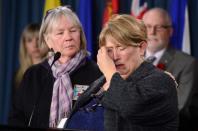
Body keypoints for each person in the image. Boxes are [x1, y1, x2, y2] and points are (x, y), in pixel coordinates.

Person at [65, 14, 178, 131]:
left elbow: (130, 106)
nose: (114, 56)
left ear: (141, 48)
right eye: (109, 50)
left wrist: (110, 73)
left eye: (121, 48)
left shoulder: (162, 81)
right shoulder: (101, 81)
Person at [8, 6, 102, 128]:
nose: (68, 37)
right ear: (48, 41)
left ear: (80, 34)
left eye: (73, 30)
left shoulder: (97, 73)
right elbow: (16, 118)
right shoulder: (33, 75)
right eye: (60, 33)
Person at [142, 8, 198, 130]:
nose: (152, 32)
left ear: (170, 31)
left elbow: (178, 105)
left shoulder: (187, 63)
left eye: (159, 27)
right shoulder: (131, 59)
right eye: (148, 26)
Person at [14, 23, 48, 89]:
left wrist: (74, 99)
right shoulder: (18, 76)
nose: (35, 45)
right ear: (24, 45)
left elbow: (74, 95)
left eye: (38, 39)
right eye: (29, 40)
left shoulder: (56, 71)